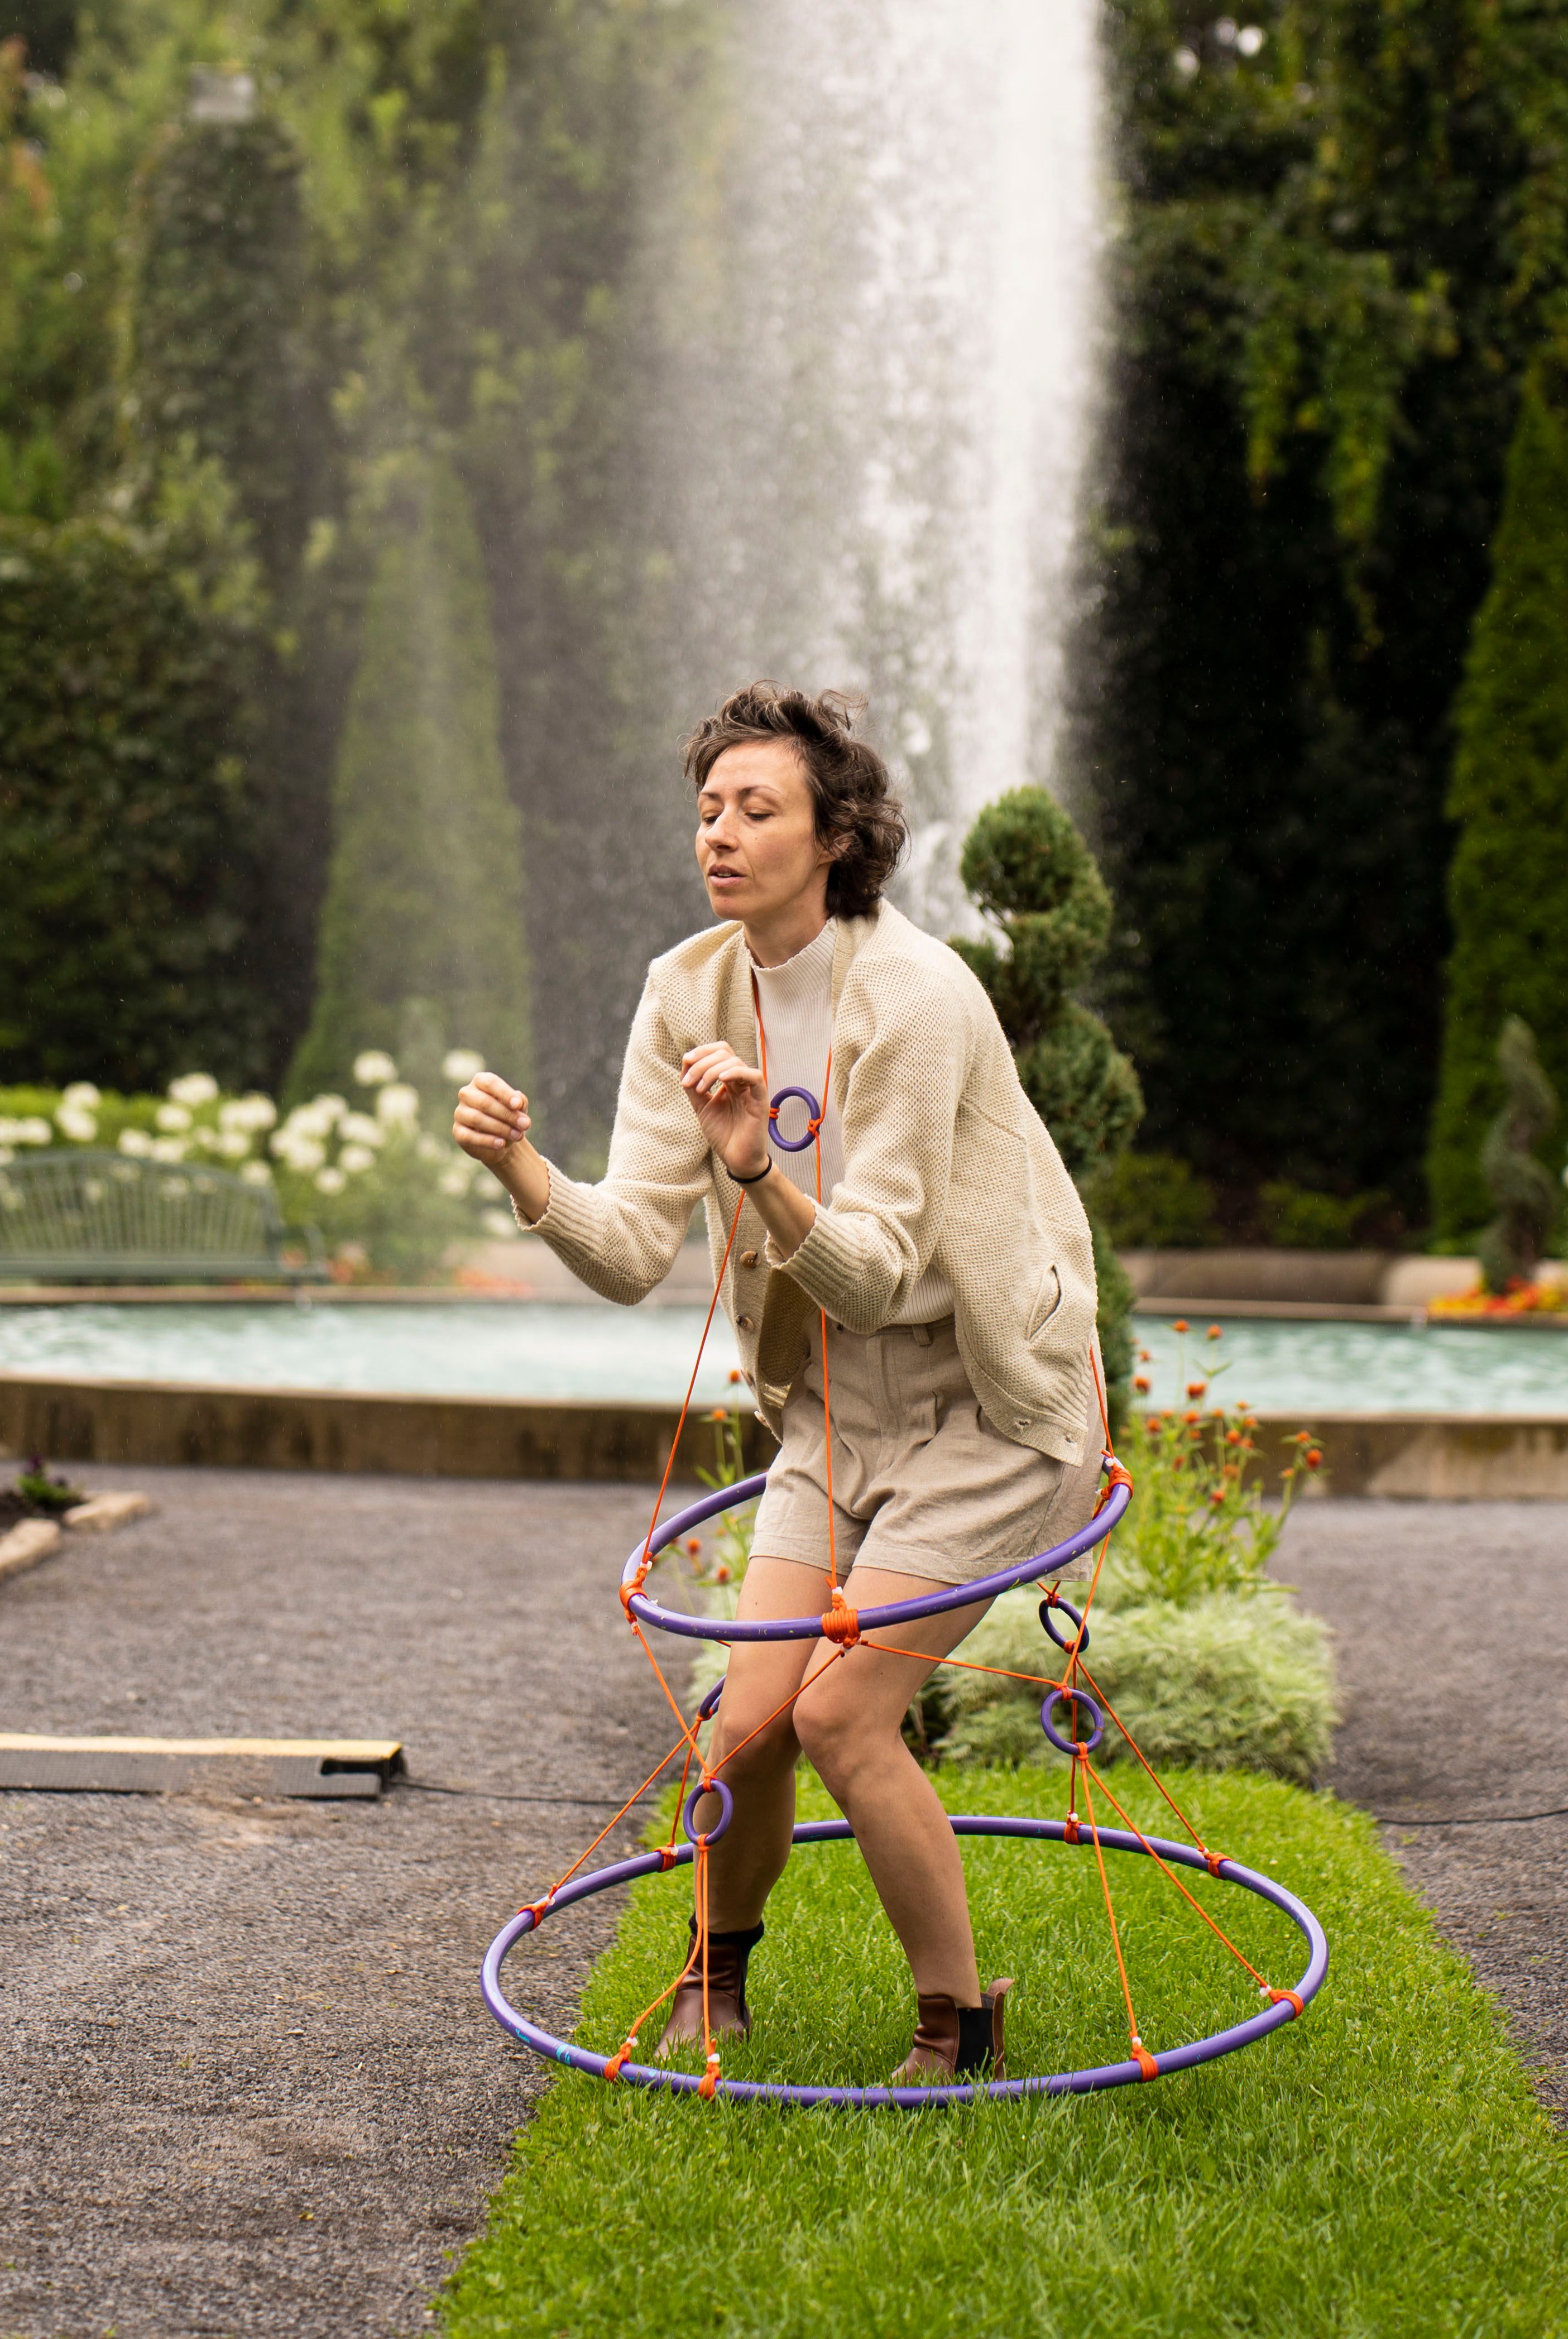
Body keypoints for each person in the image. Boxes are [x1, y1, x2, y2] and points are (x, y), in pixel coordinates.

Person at [452, 681, 1104, 2084]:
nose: (721, 834)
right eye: (706, 810)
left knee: (839, 1713)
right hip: (831, 1406)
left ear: (835, 834)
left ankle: (956, 2021)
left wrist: (754, 1167)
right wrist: (523, 1174)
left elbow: (871, 1270)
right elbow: (631, 1247)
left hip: (986, 1408)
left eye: (757, 809)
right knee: (743, 1723)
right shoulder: (684, 990)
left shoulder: (914, 996)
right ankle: (715, 1980)